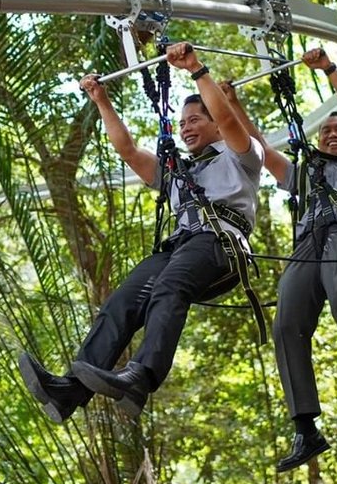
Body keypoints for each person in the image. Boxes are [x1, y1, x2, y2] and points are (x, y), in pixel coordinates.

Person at [19, 41, 263, 421]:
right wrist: (101, 100)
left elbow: (230, 120)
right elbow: (129, 152)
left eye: (194, 120)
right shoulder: (181, 173)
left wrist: (196, 70)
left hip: (221, 243)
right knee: (123, 300)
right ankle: (70, 391)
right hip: (180, 247)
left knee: (169, 287)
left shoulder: (243, 155)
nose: (185, 128)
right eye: (181, 124)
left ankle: (142, 376)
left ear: (215, 121)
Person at [223, 47, 337, 472]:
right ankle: (305, 427)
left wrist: (330, 72)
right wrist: (232, 103)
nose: (332, 135)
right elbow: (263, 151)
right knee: (286, 321)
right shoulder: (310, 176)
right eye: (325, 133)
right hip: (309, 246)